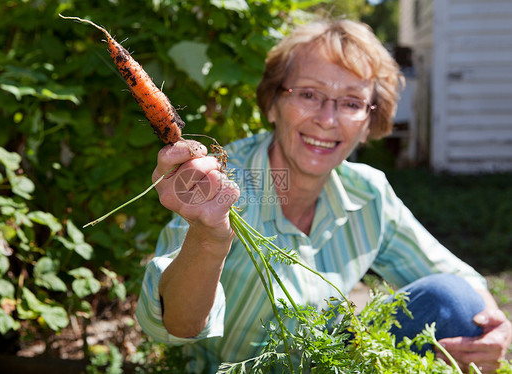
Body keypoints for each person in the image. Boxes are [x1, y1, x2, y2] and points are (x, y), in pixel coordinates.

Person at [136, 19, 511, 373]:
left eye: (350, 103)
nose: (327, 119)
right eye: (310, 94)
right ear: (271, 104)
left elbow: (454, 276)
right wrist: (209, 236)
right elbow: (177, 325)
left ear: (368, 124)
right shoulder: (218, 186)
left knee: (456, 300)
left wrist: (497, 327)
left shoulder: (366, 193)